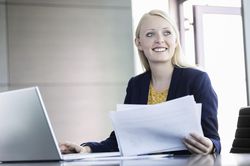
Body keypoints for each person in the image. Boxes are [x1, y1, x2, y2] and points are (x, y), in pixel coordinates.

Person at [60, 9, 221, 155]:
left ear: (176, 40)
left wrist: (210, 146)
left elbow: (213, 139)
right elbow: (121, 139)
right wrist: (86, 149)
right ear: (139, 43)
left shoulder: (197, 80)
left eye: (167, 33)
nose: (160, 40)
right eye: (150, 34)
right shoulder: (136, 85)